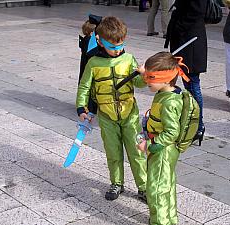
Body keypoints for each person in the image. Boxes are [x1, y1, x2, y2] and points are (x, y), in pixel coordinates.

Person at [76, 16, 147, 201]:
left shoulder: (129, 59)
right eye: (113, 47)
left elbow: (138, 83)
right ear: (100, 41)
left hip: (130, 114)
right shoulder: (93, 63)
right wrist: (81, 108)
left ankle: (144, 186)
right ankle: (117, 183)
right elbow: (84, 87)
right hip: (107, 117)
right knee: (113, 152)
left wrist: (144, 76)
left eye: (120, 46)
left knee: (137, 151)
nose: (117, 51)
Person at [137, 52, 191, 225]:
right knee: (166, 185)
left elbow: (172, 132)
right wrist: (144, 72)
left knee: (157, 189)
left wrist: (150, 144)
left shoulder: (169, 103)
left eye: (150, 77)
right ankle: (170, 220)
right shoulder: (167, 91)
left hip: (163, 150)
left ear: (167, 79)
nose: (146, 81)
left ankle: (160, 222)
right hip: (163, 149)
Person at [164, 0, 207, 145]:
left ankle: (198, 127)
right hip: (185, 39)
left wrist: (179, 27)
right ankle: (193, 124)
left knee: (193, 84)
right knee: (189, 84)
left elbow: (197, 11)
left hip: (190, 41)